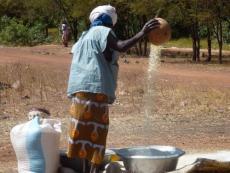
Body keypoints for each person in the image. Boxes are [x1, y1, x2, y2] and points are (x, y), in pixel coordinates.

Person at [66, 4, 160, 173]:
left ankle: (85, 170)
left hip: (78, 90)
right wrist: (142, 33)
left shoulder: (84, 36)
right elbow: (121, 46)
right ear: (108, 20)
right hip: (95, 89)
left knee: (82, 135)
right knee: (96, 134)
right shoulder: (103, 31)